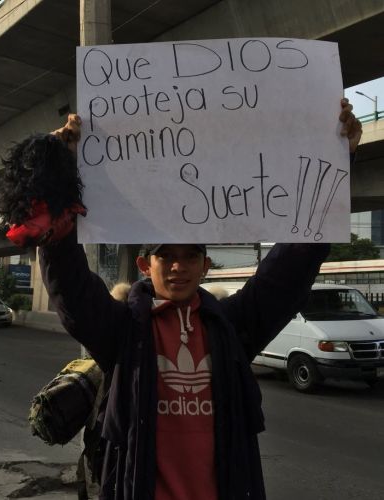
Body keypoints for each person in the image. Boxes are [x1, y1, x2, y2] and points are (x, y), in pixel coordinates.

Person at [29, 100, 362, 499]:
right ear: (143, 264)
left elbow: (288, 271)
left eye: (190, 256)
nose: (177, 267)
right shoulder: (121, 331)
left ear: (205, 266)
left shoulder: (231, 326)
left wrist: (339, 156)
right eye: (165, 256)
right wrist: (53, 176)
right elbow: (72, 286)